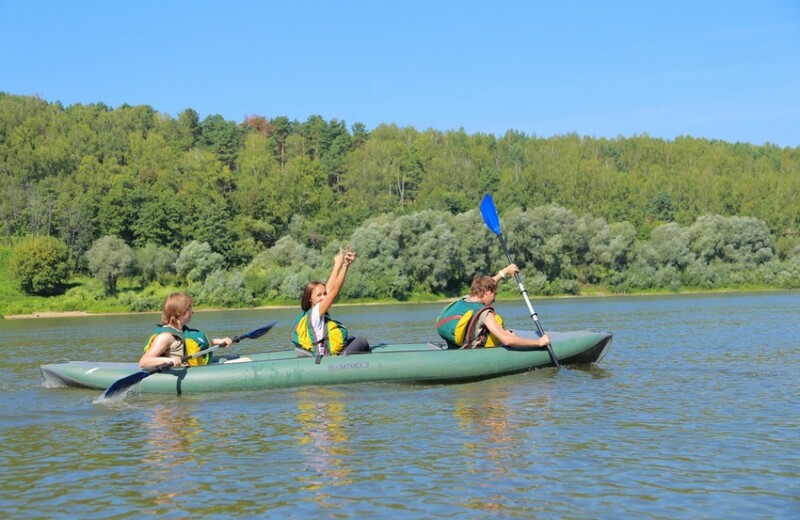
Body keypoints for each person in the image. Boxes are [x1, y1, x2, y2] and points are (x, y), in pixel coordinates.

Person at [436, 263, 551, 349]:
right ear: (487, 292)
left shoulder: (465, 299)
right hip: (472, 351)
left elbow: (490, 283)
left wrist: (505, 271)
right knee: (508, 335)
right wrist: (539, 342)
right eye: (494, 294)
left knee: (505, 332)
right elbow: (506, 340)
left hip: (454, 344)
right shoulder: (485, 313)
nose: (494, 299)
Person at [292, 245, 371, 359]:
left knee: (352, 338)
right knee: (361, 341)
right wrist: (345, 266)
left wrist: (337, 266)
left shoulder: (308, 313)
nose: (324, 297)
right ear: (310, 298)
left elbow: (329, 289)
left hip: (321, 354)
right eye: (319, 295)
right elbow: (334, 291)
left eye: (324, 294)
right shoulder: (315, 313)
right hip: (325, 359)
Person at [140, 292, 233, 369]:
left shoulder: (182, 331)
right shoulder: (165, 336)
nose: (193, 312)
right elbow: (144, 362)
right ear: (178, 312)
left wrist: (219, 341)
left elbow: (200, 344)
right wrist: (169, 360)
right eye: (189, 309)